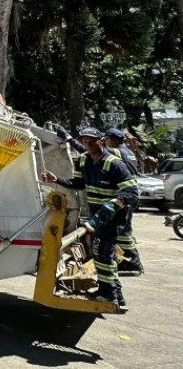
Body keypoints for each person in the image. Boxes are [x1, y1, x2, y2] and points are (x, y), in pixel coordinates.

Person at [40, 127, 138, 309]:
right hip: (97, 214)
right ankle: (115, 294)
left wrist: (113, 204)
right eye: (84, 141)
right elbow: (78, 184)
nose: (88, 144)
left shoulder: (113, 163)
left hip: (112, 217)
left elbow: (132, 192)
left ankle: (108, 295)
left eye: (91, 141)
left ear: (101, 140)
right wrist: (56, 180)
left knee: (103, 253)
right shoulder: (84, 160)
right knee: (103, 254)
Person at [104, 128, 144, 274]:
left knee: (122, 230)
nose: (105, 142)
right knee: (125, 229)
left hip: (125, 193)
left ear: (113, 140)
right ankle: (129, 261)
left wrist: (71, 140)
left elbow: (93, 153)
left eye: (106, 139)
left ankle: (133, 262)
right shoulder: (128, 152)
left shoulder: (116, 152)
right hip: (132, 193)